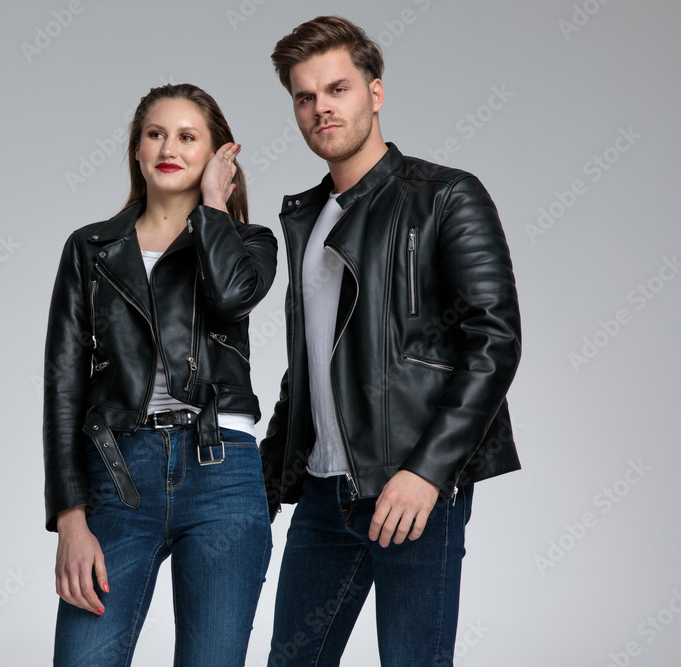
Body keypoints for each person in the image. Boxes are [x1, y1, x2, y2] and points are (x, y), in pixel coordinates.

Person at [259, 16, 522, 666]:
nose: (321, 107)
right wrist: (266, 482)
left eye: (337, 88)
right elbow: (310, 364)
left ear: (375, 93)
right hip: (322, 496)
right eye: (304, 96)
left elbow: (494, 341)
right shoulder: (306, 219)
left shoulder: (444, 196)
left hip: (412, 491)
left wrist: (427, 472)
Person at [43, 83, 278, 666]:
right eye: (155, 134)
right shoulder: (91, 248)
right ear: (137, 149)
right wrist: (70, 518)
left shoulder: (249, 243)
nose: (169, 148)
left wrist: (215, 206)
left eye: (187, 136)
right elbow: (63, 385)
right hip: (119, 474)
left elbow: (231, 297)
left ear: (217, 154)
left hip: (223, 472)